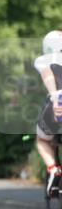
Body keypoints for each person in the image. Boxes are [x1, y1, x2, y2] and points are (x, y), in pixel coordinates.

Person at [35, 30, 62, 195]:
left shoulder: (42, 60)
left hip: (57, 106)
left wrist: (54, 97)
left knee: (42, 140)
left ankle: (53, 169)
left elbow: (47, 75)